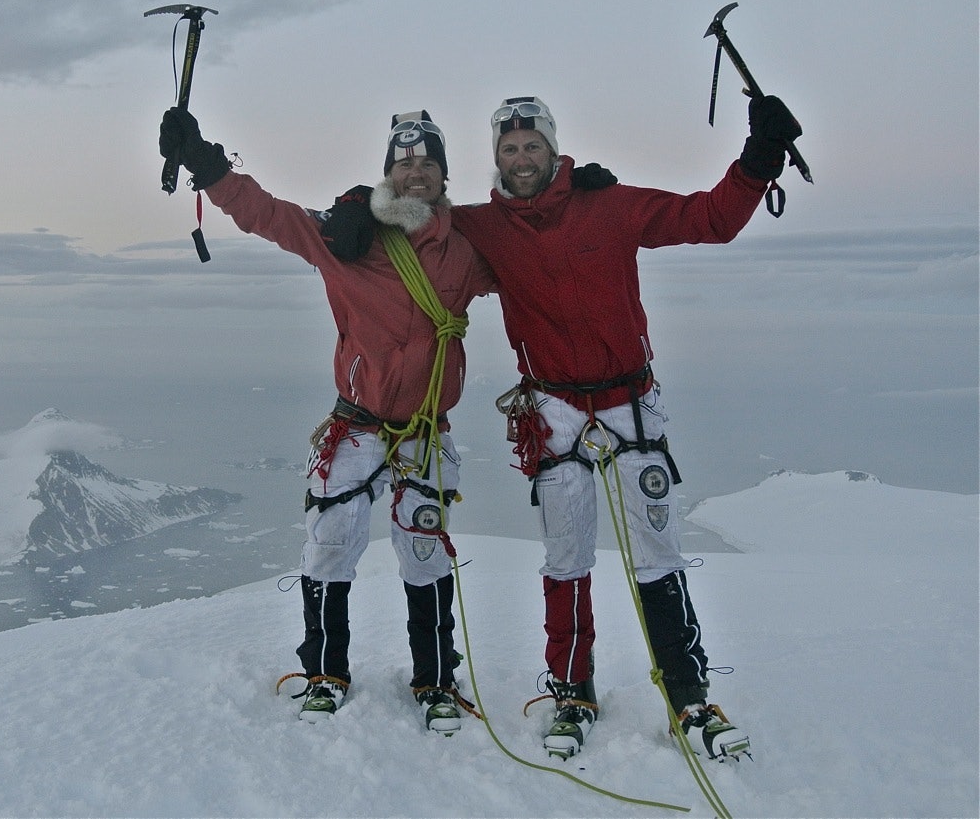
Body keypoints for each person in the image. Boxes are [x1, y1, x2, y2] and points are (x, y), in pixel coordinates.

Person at [321, 92, 801, 761]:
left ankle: (687, 697)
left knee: (657, 554)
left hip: (629, 402)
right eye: (509, 150)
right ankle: (572, 692)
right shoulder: (485, 226)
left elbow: (708, 218)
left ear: (553, 149)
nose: (521, 160)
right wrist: (353, 205)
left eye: (532, 147)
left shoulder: (613, 204)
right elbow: (416, 212)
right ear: (498, 158)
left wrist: (759, 158)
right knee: (566, 557)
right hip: (554, 411)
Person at [158, 106, 497, 733]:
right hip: (359, 424)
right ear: (388, 174)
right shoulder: (351, 238)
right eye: (404, 161)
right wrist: (205, 163)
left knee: (424, 555)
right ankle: (325, 674)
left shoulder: (468, 250)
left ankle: (435, 681)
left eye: (427, 162)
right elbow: (270, 215)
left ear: (443, 174)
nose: (416, 171)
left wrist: (574, 194)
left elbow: (540, 253)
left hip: (423, 431)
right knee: (330, 548)